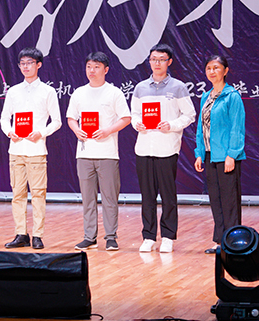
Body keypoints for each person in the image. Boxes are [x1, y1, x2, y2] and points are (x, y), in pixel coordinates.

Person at [131, 43, 195, 253]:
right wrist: (137, 123)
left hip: (167, 148)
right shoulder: (140, 87)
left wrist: (172, 125)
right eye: (153, 59)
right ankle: (148, 236)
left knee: (168, 195)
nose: (156, 63)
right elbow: (134, 114)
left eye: (161, 59)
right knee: (147, 196)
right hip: (144, 148)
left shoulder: (178, 87)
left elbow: (189, 115)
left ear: (169, 62)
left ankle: (168, 236)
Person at [66, 52, 131, 251]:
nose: (92, 71)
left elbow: (126, 118)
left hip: (107, 153)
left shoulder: (114, 93)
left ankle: (111, 236)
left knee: (110, 197)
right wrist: (76, 130)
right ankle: (89, 236)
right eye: (89, 67)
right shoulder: (79, 93)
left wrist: (108, 130)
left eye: (96, 67)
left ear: (106, 69)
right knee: (88, 198)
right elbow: (71, 118)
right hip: (84, 154)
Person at [0, 47, 62, 250]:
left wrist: (41, 133)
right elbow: (4, 118)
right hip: (16, 150)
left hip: (36, 150)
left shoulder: (47, 91)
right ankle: (21, 233)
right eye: (22, 63)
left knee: (38, 194)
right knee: (17, 194)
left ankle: (37, 235)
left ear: (39, 65)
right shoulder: (13, 91)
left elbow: (57, 121)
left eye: (30, 63)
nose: (25, 67)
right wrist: (10, 132)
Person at [194, 55, 245, 254]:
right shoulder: (205, 97)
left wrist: (232, 154)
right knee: (215, 200)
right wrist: (199, 153)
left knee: (229, 201)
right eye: (209, 68)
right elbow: (201, 128)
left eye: (216, 67)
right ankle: (219, 241)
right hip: (209, 155)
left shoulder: (232, 96)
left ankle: (233, 242)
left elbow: (237, 128)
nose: (212, 71)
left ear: (225, 71)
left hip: (226, 156)